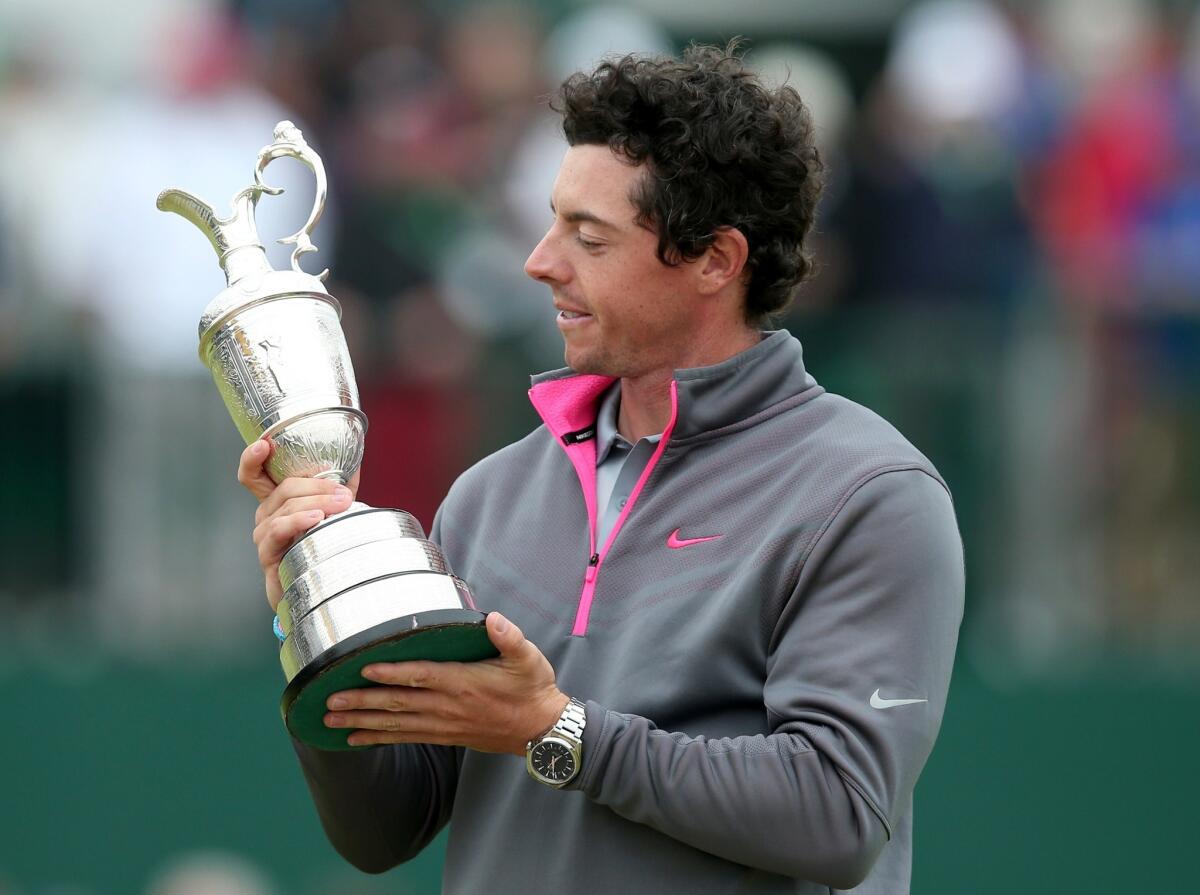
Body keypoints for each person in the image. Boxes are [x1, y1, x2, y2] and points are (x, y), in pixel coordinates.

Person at [238, 44, 964, 895]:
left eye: (589, 237)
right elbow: (382, 829)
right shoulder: (489, 495)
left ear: (715, 261)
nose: (541, 260)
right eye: (552, 223)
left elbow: (839, 814)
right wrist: (312, 612)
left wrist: (559, 731)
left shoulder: (869, 494)